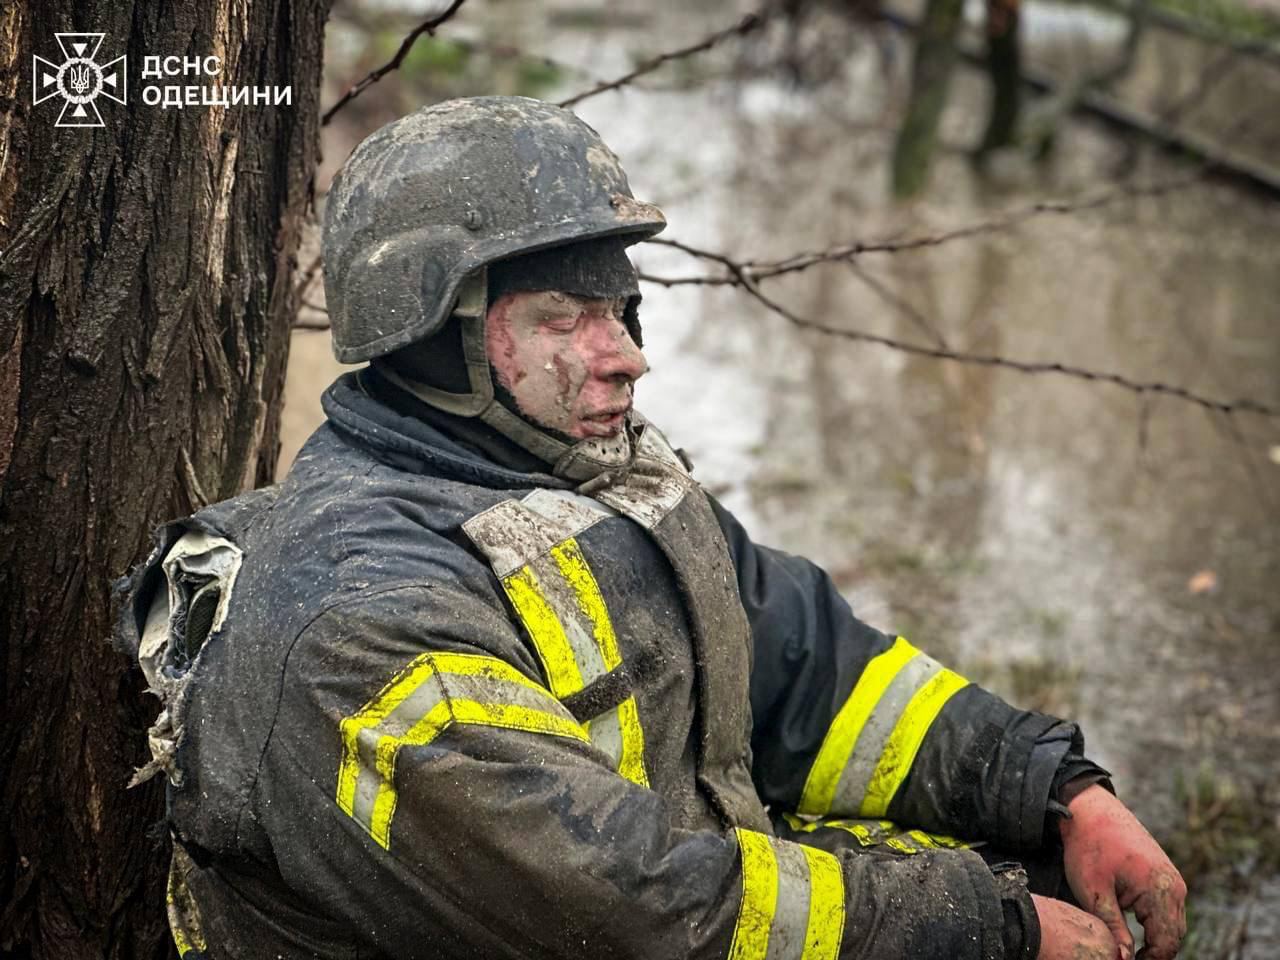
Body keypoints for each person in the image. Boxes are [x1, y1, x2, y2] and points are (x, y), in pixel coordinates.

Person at [120, 96, 1186, 960]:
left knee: (1038, 874)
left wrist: (1051, 791)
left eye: (619, 309)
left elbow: (813, 677)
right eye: (560, 319)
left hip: (672, 898)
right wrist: (978, 928)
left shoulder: (595, 472)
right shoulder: (365, 616)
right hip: (609, 926)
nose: (625, 354)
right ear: (431, 340)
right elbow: (617, 907)